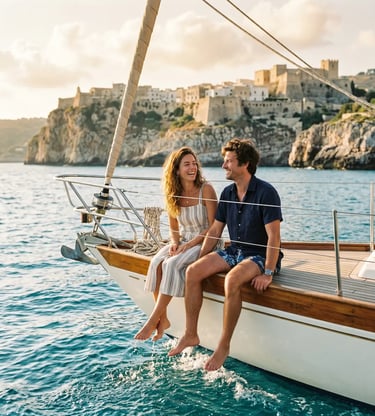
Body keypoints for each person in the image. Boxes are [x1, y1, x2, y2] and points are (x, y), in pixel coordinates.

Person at [169, 138, 283, 371]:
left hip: (259, 255)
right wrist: (201, 256)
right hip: (235, 251)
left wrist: (268, 272)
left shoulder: (266, 193)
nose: (223, 166)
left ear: (245, 164)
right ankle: (191, 334)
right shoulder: (228, 192)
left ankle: (223, 346)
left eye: (229, 161)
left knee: (231, 280)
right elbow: (215, 231)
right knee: (193, 271)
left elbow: (274, 237)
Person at [134, 146, 218, 341]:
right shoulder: (174, 193)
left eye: (194, 163)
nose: (193, 167)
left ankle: (152, 319)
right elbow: (174, 228)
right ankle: (163, 320)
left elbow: (215, 227)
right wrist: (174, 243)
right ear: (177, 170)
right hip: (185, 240)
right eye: (187, 164)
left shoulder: (206, 189)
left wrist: (188, 245)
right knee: (156, 263)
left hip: (206, 241)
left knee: (171, 264)